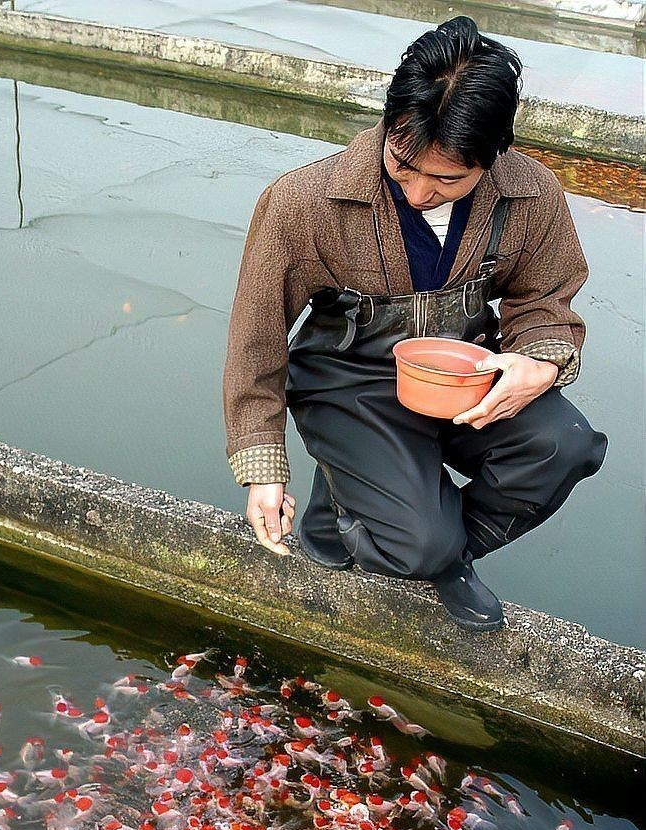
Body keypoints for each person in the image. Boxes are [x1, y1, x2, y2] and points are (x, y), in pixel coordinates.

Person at [222, 16, 608, 632]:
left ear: (494, 155)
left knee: (565, 446)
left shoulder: (531, 193)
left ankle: (426, 541)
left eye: (447, 179)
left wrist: (540, 360)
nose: (419, 192)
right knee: (415, 546)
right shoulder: (303, 202)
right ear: (389, 122)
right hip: (351, 383)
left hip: (463, 377)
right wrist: (263, 469)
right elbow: (255, 340)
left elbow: (545, 298)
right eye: (404, 165)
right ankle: (417, 539)